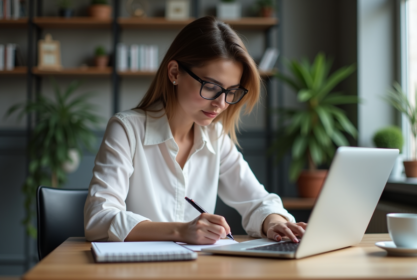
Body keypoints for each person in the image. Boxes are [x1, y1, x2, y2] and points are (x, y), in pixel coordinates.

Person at [84, 16, 307, 245]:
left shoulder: (216, 137)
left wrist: (274, 222)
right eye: (211, 87)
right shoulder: (127, 130)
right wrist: (180, 231)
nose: (221, 104)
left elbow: (258, 200)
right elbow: (99, 219)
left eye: (231, 92)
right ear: (174, 73)